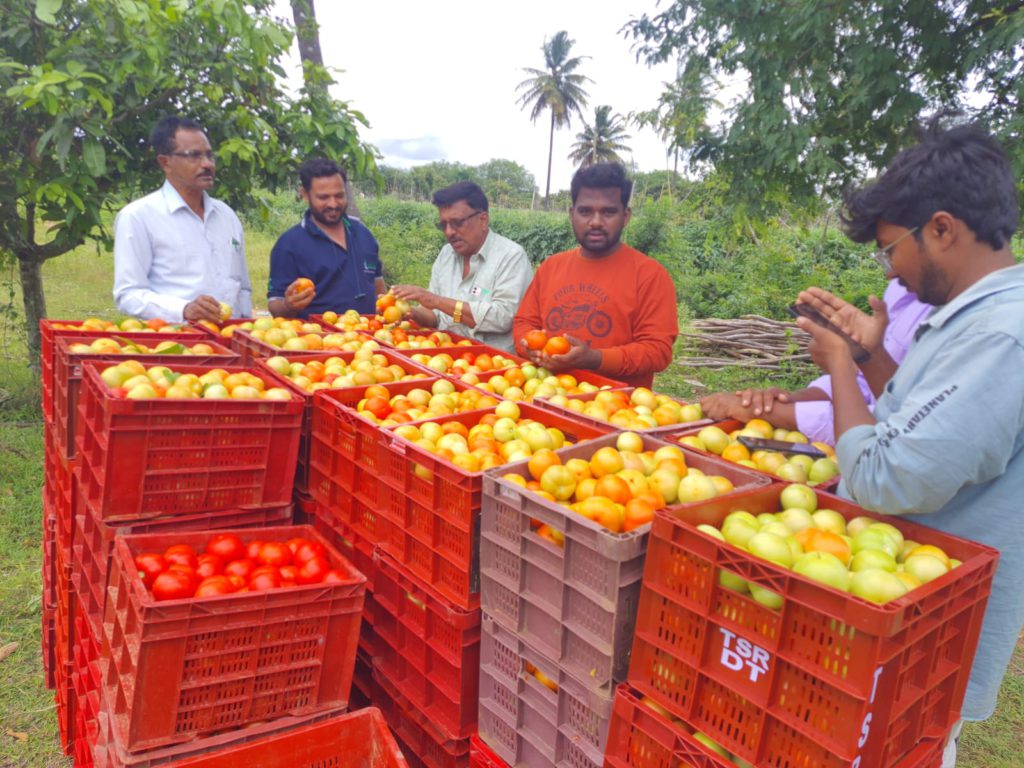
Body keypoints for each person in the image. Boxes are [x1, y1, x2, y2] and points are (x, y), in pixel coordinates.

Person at [794, 122, 1023, 768]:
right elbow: (919, 422)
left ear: (943, 229)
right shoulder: (971, 322)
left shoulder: (1002, 337)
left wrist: (837, 363)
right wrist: (868, 360)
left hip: (926, 639)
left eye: (891, 248)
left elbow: (884, 475)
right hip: (889, 603)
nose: (889, 267)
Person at [700, 280, 932, 443]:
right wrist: (788, 400)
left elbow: (906, 423)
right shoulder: (900, 291)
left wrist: (771, 413)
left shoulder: (960, 331)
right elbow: (865, 386)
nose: (889, 273)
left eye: (891, 248)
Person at [512, 162, 678, 388]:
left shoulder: (650, 275)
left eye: (608, 212)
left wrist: (595, 359)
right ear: (572, 214)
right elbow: (524, 323)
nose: (596, 222)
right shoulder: (551, 267)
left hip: (615, 410)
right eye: (585, 211)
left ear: (626, 216)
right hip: (543, 399)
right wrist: (530, 349)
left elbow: (657, 351)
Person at [113, 116, 252, 322]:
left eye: (209, 155)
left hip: (230, 341)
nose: (207, 164)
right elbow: (128, 294)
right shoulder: (138, 217)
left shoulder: (226, 216)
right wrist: (183, 310)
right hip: (175, 343)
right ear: (165, 162)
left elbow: (242, 288)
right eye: (193, 156)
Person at [391, 181, 532, 352]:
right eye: (443, 225)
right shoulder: (446, 255)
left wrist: (437, 301)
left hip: (493, 365)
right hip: (447, 359)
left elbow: (503, 317)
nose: (449, 232)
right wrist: (410, 312)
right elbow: (436, 317)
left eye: (457, 223)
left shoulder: (510, 257)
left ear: (483, 220)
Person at [267, 158, 384, 318]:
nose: (333, 204)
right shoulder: (289, 244)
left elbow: (379, 289)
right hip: (316, 340)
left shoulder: (363, 234)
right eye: (323, 197)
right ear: (305, 195)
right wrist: (288, 305)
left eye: (339, 196)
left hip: (366, 340)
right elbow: (275, 305)